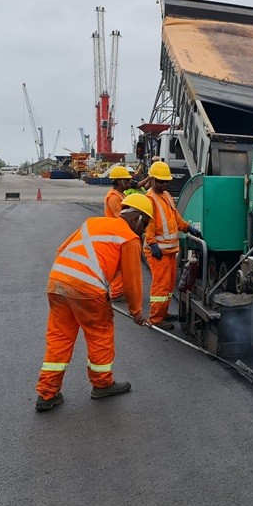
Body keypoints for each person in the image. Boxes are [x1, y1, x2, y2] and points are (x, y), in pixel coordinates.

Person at [34, 195, 154, 413]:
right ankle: (102, 384)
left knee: (59, 337)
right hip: (86, 288)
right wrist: (136, 312)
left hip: (57, 281)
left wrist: (72, 280)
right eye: (144, 224)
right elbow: (132, 281)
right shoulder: (128, 238)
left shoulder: (92, 222)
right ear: (136, 217)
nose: (143, 230)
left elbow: (62, 249)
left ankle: (46, 393)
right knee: (100, 332)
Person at [144, 160, 200, 330]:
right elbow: (148, 225)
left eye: (166, 181)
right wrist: (153, 244)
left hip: (169, 250)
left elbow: (174, 217)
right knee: (160, 286)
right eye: (161, 181)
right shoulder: (149, 199)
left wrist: (187, 227)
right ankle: (155, 319)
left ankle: (163, 312)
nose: (165, 184)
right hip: (157, 251)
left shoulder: (166, 195)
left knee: (169, 285)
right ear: (152, 180)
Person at [104, 165, 133, 300]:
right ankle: (116, 292)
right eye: (126, 180)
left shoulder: (120, 195)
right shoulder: (113, 197)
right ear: (119, 181)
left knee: (123, 264)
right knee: (118, 264)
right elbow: (120, 217)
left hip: (120, 234)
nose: (129, 182)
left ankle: (119, 290)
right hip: (116, 235)